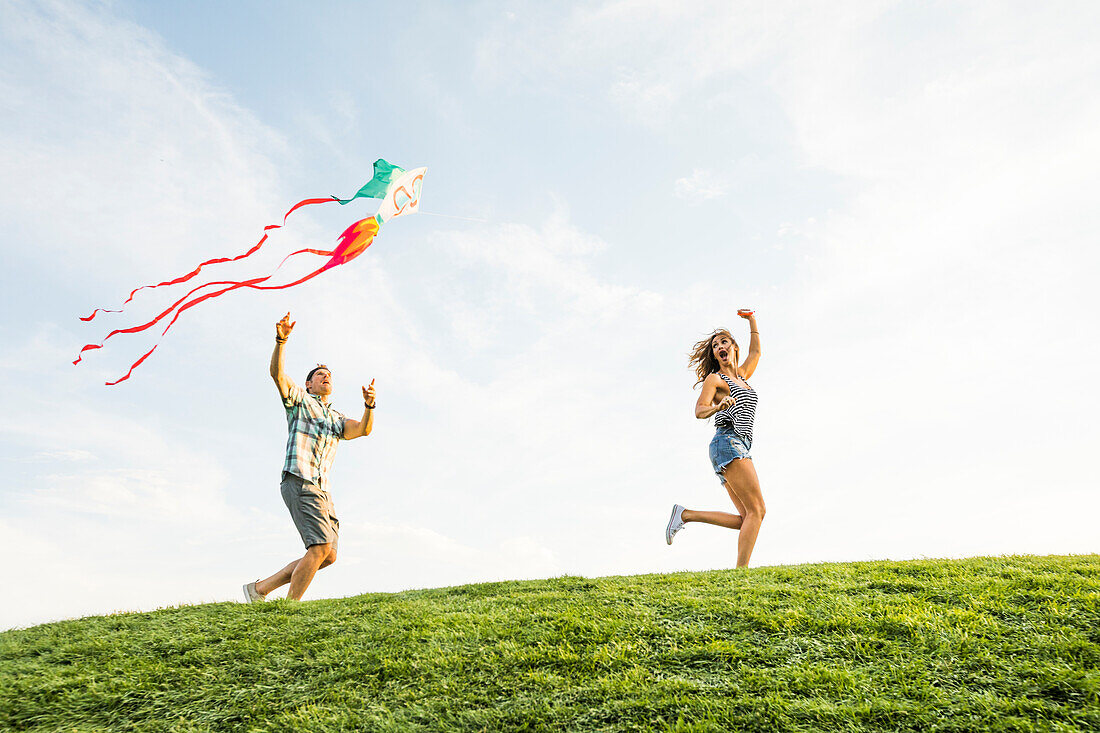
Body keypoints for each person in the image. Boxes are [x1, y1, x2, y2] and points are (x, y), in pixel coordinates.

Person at [243, 312, 376, 602]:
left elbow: (363, 430)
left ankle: (259, 589)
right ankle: (290, 608)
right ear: (309, 385)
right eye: (319, 375)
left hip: (322, 490)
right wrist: (282, 339)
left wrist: (370, 406)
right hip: (300, 479)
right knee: (318, 547)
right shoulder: (300, 402)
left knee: (327, 555)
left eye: (329, 375)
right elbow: (277, 375)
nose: (326, 377)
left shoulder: (336, 418)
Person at [665, 311, 764, 567]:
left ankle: (685, 515)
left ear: (733, 347)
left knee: (747, 518)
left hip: (734, 446)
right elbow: (699, 410)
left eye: (724, 342)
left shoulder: (741, 376)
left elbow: (756, 354)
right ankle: (741, 574)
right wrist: (718, 408)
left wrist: (752, 320)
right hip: (728, 442)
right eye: (715, 345)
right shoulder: (715, 379)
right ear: (715, 354)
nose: (719, 346)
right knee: (758, 511)